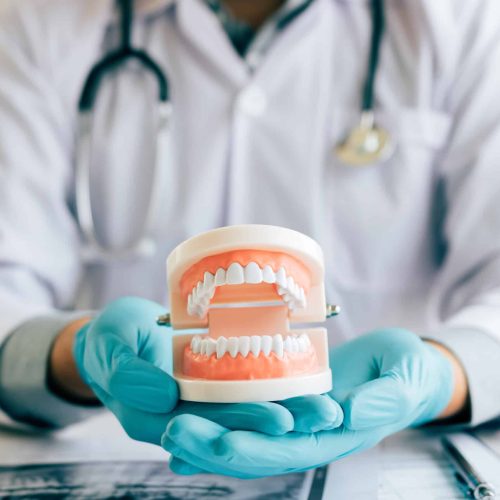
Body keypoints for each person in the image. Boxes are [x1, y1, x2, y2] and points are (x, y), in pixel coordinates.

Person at [0, 0, 499, 479]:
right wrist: (72, 355)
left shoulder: (465, 20)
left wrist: (442, 375)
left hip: (396, 463)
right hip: (119, 455)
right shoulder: (36, 22)